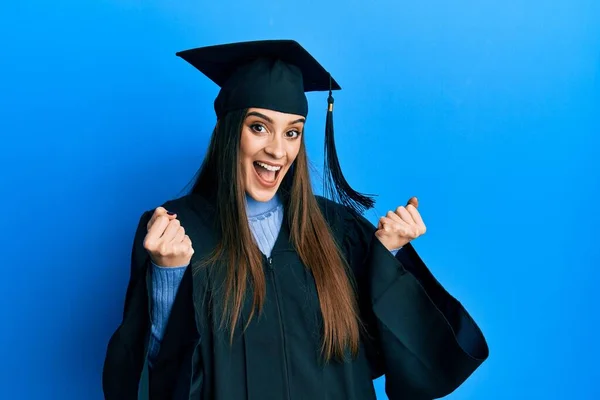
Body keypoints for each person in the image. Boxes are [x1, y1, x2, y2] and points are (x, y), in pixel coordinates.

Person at [102, 40, 489, 400]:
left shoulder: (338, 230)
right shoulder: (176, 230)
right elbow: (147, 382)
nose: (277, 150)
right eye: (259, 127)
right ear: (227, 130)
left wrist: (388, 256)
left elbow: (387, 356)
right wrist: (169, 277)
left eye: (292, 133)